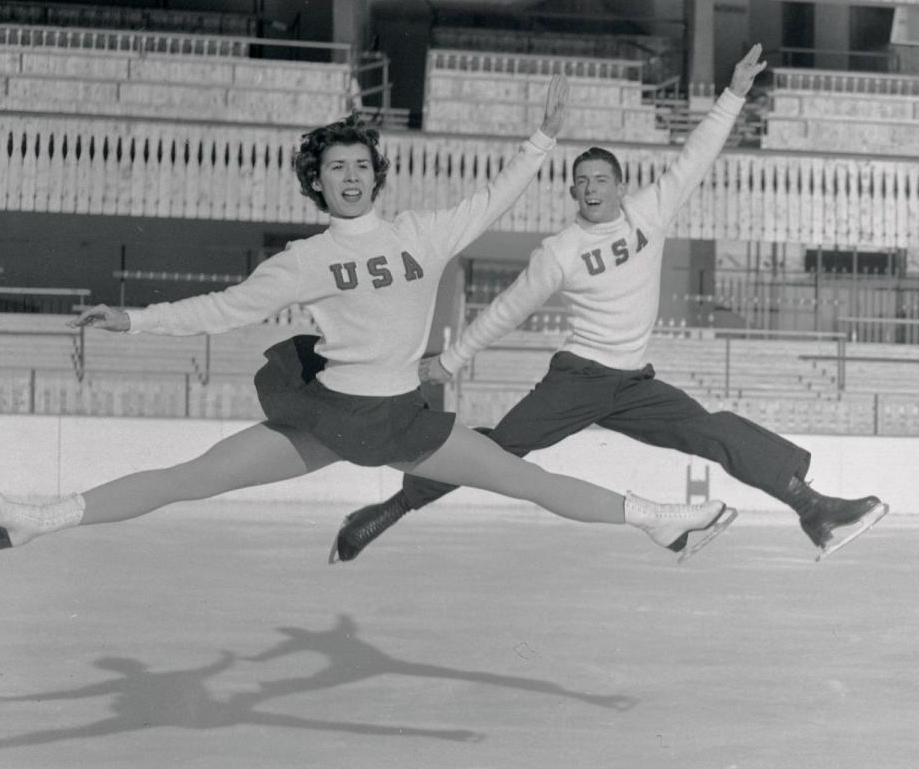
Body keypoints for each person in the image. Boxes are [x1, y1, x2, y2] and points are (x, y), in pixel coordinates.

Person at [0, 78, 735, 564]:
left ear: (377, 172)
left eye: (360, 164)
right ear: (317, 182)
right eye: (335, 168)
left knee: (527, 482)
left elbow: (493, 201)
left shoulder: (421, 236)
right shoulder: (304, 261)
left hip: (399, 421)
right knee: (190, 479)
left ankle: (657, 521)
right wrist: (132, 320)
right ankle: (36, 518)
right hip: (334, 414)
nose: (350, 175)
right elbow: (223, 309)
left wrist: (540, 144)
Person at [333, 45, 888, 564]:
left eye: (601, 179)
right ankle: (392, 507)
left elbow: (696, 155)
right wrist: (450, 361)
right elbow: (508, 309)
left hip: (634, 385)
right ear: (572, 193)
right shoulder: (560, 251)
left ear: (622, 186)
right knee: (499, 450)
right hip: (578, 379)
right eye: (581, 182)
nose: (591, 188)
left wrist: (735, 93)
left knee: (714, 429)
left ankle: (812, 508)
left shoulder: (651, 212)